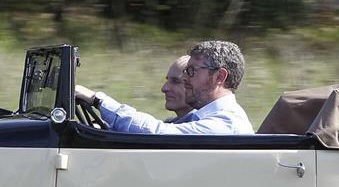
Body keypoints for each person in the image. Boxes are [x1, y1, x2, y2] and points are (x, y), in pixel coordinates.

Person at [75, 40, 254, 135]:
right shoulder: (203, 118)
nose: (185, 79)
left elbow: (159, 133)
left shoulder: (224, 124)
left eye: (191, 71)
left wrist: (98, 100)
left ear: (219, 77)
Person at [161, 55, 193, 123]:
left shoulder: (203, 128)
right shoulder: (169, 124)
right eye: (167, 80)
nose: (164, 88)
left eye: (176, 81)